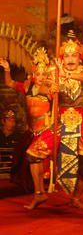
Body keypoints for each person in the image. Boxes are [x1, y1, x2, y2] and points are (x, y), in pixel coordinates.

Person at [25, 37, 83, 210]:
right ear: (62, 58)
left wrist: (65, 75)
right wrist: (50, 89)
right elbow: (41, 87)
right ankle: (39, 193)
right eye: (66, 55)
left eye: (73, 55)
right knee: (32, 154)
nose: (70, 59)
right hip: (61, 122)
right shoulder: (54, 71)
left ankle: (75, 197)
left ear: (79, 57)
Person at [0, 49, 52, 192]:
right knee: (21, 157)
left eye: (44, 74)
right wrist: (7, 69)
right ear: (34, 73)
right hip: (30, 130)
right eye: (38, 73)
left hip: (45, 130)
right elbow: (9, 83)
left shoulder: (49, 89)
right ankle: (34, 188)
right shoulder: (27, 87)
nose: (41, 77)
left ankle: (43, 186)